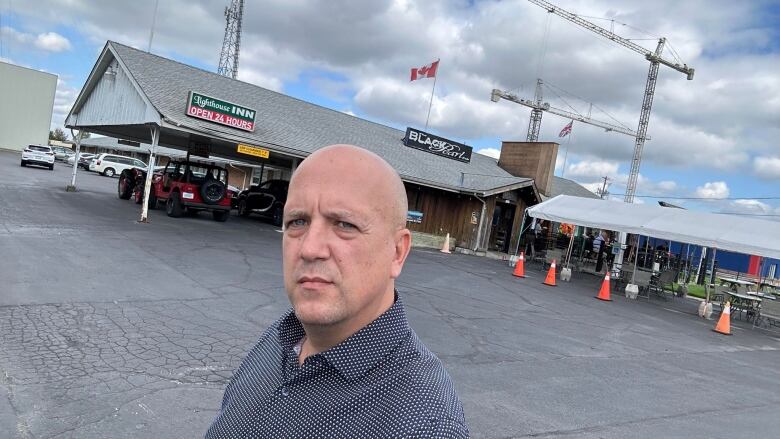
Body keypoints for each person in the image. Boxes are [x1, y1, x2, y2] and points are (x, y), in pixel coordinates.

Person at [206, 145, 468, 438]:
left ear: (397, 252)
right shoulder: (280, 339)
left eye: (344, 224)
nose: (309, 248)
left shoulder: (423, 424)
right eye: (297, 222)